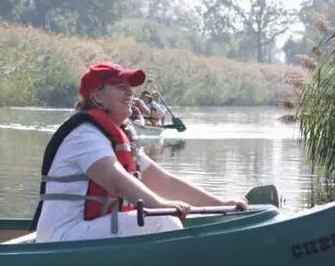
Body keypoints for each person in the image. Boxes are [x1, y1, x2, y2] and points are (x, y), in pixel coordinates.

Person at [30, 61, 248, 242]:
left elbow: (166, 183)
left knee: (166, 216)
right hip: (63, 237)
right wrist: (161, 206)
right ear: (97, 97)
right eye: (120, 87)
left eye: (129, 87)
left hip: (87, 232)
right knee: (163, 220)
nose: (129, 93)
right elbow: (116, 181)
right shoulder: (84, 135)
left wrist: (220, 204)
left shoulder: (119, 135)